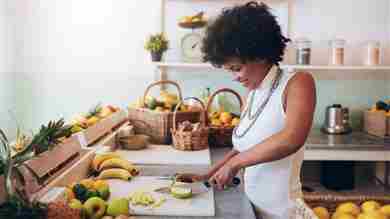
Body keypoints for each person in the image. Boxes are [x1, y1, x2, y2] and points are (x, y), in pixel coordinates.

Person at [199, 2, 317, 219]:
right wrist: (206, 175)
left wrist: (235, 164)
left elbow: (291, 138)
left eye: (236, 68)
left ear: (260, 55)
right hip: (253, 210)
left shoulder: (298, 82)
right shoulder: (253, 93)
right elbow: (246, 146)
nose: (235, 77)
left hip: (284, 213)